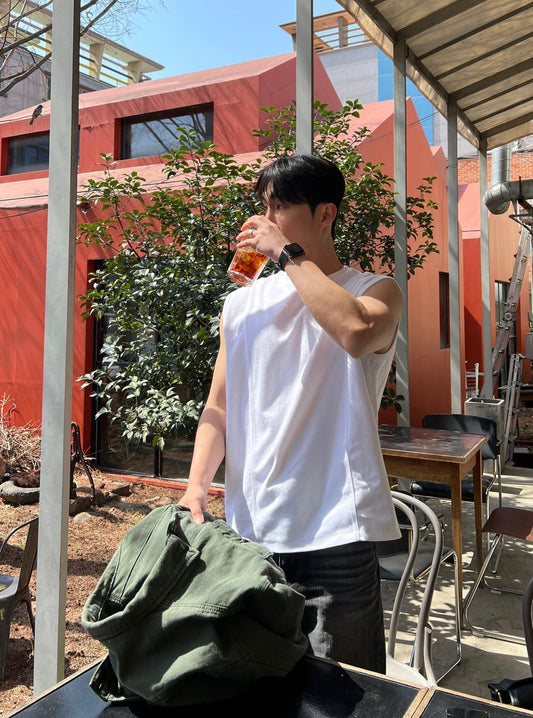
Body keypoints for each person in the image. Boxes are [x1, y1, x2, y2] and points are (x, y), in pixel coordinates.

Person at [180, 154, 403, 672]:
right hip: (250, 532)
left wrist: (286, 253)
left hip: (336, 532)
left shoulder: (374, 290)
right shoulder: (241, 305)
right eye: (264, 206)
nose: (266, 219)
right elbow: (219, 405)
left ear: (325, 213)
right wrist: (196, 487)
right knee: (256, 688)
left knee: (342, 691)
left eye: (280, 206)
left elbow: (356, 332)